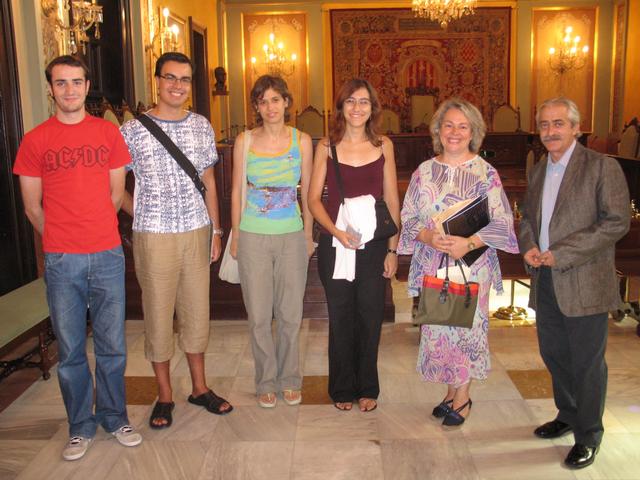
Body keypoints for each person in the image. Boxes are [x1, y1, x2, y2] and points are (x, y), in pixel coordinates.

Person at [13, 55, 142, 461]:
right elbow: (32, 207)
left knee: (112, 345)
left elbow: (115, 194)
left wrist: (92, 229)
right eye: (60, 83)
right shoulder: (35, 140)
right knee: (70, 349)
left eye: (76, 82)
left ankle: (115, 417)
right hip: (62, 259)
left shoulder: (108, 133)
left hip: (106, 253)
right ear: (50, 88)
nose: (69, 89)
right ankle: (80, 426)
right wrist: (61, 237)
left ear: (87, 87)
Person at [120, 52, 232, 429]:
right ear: (157, 80)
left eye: (184, 79)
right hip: (154, 236)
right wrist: (142, 211)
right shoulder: (132, 130)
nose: (177, 85)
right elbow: (114, 186)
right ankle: (165, 395)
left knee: (196, 312)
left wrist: (216, 230)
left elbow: (209, 181)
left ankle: (200, 388)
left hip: (196, 230)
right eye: (170, 77)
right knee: (158, 313)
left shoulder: (201, 125)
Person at [519, 97, 630, 469]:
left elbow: (616, 222)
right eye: (544, 124)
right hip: (545, 280)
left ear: (576, 128)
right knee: (554, 354)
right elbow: (527, 218)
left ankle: (589, 434)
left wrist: (562, 253)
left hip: (585, 282)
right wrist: (529, 246)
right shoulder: (538, 170)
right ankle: (567, 414)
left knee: (586, 363)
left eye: (558, 123)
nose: (550, 131)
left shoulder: (601, 166)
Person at [398, 98, 518, 426]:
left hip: (472, 265)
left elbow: (502, 221)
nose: (455, 132)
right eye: (449, 125)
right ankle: (451, 392)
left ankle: (463, 398)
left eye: (463, 126)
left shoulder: (485, 173)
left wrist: (469, 242)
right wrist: (428, 237)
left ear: (473, 132)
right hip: (435, 264)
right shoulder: (424, 172)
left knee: (466, 329)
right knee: (442, 330)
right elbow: (408, 217)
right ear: (438, 130)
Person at [308, 78, 400, 412]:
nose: (357, 108)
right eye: (350, 101)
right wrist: (336, 232)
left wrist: (392, 249)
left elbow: (392, 200)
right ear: (341, 107)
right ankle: (342, 388)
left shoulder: (384, 145)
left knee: (370, 316)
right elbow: (313, 200)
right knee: (341, 316)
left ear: (372, 108)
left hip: (374, 246)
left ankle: (367, 387)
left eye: (363, 101)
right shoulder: (326, 146)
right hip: (336, 245)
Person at [230, 75, 313, 408]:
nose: (270, 107)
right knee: (259, 315)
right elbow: (237, 190)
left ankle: (289, 379)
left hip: (291, 234)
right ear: (256, 107)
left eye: (275, 99)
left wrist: (308, 234)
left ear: (286, 102)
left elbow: (308, 193)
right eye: (263, 101)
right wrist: (236, 234)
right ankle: (265, 380)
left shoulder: (302, 140)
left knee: (291, 314)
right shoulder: (245, 140)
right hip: (253, 234)